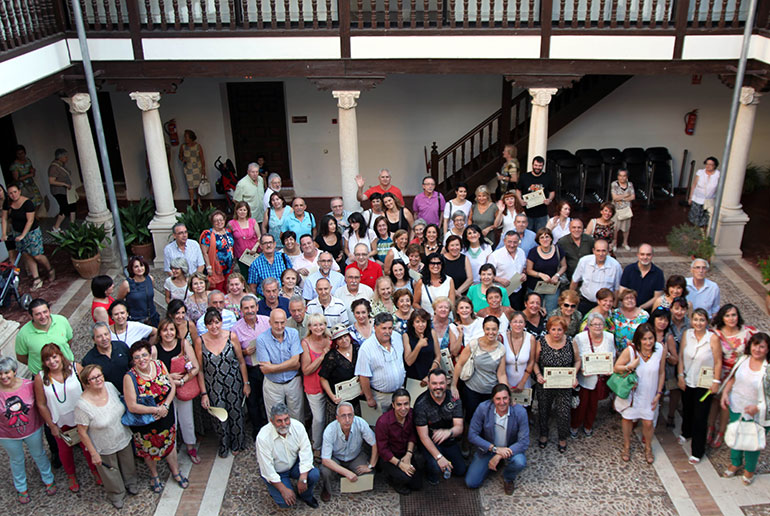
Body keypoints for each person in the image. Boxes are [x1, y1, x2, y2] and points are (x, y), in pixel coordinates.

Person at [124, 341, 187, 492]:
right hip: (147, 420)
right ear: (133, 359)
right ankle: (154, 475)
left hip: (166, 414)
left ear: (150, 354)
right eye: (137, 357)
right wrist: (155, 409)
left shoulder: (159, 364)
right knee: (148, 449)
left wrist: (165, 406)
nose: (142, 359)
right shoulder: (130, 377)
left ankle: (175, 471)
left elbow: (171, 386)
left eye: (144, 355)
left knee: (170, 443)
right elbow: (132, 405)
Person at [35, 344, 97, 493]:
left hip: (80, 416)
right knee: (64, 450)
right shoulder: (40, 378)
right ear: (44, 362)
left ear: (61, 356)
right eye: (47, 359)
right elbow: (41, 404)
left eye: (54, 356)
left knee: (88, 446)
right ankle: (71, 475)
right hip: (60, 421)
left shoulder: (76, 368)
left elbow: (88, 388)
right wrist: (51, 425)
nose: (52, 361)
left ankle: (95, 471)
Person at [75, 365, 137, 509]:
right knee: (110, 471)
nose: (98, 380)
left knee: (128, 463)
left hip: (122, 435)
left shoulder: (109, 386)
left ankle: (131, 483)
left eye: (99, 375)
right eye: (93, 378)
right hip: (103, 443)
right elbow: (82, 432)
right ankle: (117, 494)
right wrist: (93, 453)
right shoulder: (82, 405)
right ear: (86, 382)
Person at [0, 356, 56, 504]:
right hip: (7, 435)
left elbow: (40, 403)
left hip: (32, 430)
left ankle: (48, 479)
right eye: (0, 374)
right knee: (16, 460)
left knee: (39, 454)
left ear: (14, 371)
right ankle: (21, 488)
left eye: (6, 372)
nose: (3, 376)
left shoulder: (29, 385)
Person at [196, 308, 249, 457]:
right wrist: (204, 393)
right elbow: (199, 369)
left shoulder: (231, 336)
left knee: (236, 412)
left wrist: (246, 383)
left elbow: (241, 362)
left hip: (233, 381)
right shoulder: (200, 341)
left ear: (221, 322)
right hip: (213, 383)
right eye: (210, 323)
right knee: (219, 415)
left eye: (217, 322)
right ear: (206, 325)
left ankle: (238, 442)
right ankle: (223, 444)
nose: (214, 327)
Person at [719, 333, 770, 485]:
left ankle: (749, 469)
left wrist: (758, 407)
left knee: (752, 441)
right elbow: (733, 378)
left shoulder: (767, 369)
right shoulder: (743, 360)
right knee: (736, 435)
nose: (758, 349)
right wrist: (725, 393)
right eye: (755, 345)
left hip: (757, 413)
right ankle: (735, 463)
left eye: (762, 347)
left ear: (767, 349)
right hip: (737, 406)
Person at [614, 324, 666, 464]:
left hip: (650, 394)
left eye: (651, 338)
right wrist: (629, 366)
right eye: (645, 339)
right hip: (633, 394)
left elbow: (661, 372)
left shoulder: (660, 349)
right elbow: (616, 368)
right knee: (627, 419)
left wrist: (659, 393)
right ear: (639, 340)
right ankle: (626, 446)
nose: (648, 342)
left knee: (648, 423)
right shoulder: (631, 351)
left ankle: (648, 448)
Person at [676, 308, 722, 464]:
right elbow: (682, 356)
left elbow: (718, 361)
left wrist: (716, 381)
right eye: (695, 319)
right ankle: (686, 431)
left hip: (704, 382)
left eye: (702, 320)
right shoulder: (687, 335)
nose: (698, 323)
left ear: (707, 322)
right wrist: (680, 375)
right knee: (687, 408)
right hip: (689, 378)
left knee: (700, 416)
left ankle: (697, 450)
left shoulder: (713, 338)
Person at [709, 304, 757, 449]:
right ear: (722, 318)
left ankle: (722, 432)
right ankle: (710, 428)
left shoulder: (748, 332)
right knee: (714, 402)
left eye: (734, 315)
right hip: (720, 372)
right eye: (728, 315)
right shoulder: (715, 333)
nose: (731, 318)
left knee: (726, 403)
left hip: (738, 375)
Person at [466, 383, 528, 494]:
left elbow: (524, 442)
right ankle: (491, 464)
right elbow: (472, 435)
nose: (502, 402)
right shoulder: (483, 408)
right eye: (498, 399)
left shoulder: (520, 412)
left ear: (509, 398)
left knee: (520, 462)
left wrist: (499, 454)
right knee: (471, 482)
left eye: (505, 398)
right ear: (492, 400)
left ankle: (508, 477)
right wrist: (494, 449)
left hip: (510, 449)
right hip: (488, 449)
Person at [257, 402, 321, 508]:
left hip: (294, 464)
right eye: (279, 421)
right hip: (277, 471)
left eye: (286, 419)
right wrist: (283, 489)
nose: (284, 424)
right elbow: (267, 468)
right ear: (271, 421)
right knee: (284, 503)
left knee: (314, 474)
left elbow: (306, 451)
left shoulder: (298, 427)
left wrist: (303, 478)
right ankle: (276, 488)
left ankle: (305, 495)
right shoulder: (263, 437)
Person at [154, 319, 200, 463]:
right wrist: (169, 378)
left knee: (187, 420)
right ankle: (171, 450)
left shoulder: (183, 344)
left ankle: (191, 447)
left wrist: (181, 381)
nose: (169, 333)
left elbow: (195, 367)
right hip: (165, 391)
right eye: (165, 330)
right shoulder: (155, 349)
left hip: (183, 387)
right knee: (169, 421)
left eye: (172, 330)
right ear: (160, 333)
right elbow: (154, 373)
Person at [532, 316, 581, 453]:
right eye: (553, 329)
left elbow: (577, 361)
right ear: (548, 330)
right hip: (545, 383)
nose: (556, 333)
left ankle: (562, 438)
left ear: (564, 330)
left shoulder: (571, 342)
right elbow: (535, 362)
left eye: (560, 329)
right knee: (543, 410)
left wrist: (574, 375)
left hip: (564, 383)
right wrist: (538, 375)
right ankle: (543, 434)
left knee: (564, 412)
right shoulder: (541, 342)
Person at [414, 368, 466, 484]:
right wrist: (439, 457)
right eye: (434, 383)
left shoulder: (453, 398)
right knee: (435, 467)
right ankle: (430, 472)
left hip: (448, 440)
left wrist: (449, 432)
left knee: (461, 470)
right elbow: (423, 437)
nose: (438, 387)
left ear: (446, 382)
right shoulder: (420, 404)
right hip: (430, 441)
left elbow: (459, 427)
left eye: (441, 383)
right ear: (428, 384)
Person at [452, 315, 508, 423]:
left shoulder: (501, 349)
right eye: (488, 329)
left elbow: (501, 374)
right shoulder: (474, 344)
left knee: (487, 421)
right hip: (472, 390)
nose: (490, 332)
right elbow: (459, 364)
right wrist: (454, 385)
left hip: (490, 391)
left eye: (494, 329)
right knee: (471, 419)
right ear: (483, 329)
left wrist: (505, 392)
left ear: (498, 330)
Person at [319, 402, 378, 502]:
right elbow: (325, 459)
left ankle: (348, 477)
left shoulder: (360, 423)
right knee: (325, 471)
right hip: (336, 458)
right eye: (343, 416)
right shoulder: (329, 430)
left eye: (350, 415)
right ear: (337, 418)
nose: (347, 420)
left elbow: (375, 443)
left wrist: (370, 465)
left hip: (355, 456)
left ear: (353, 416)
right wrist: (347, 473)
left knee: (369, 473)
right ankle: (327, 489)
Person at [2, 182, 53, 290]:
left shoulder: (27, 203)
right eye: (10, 193)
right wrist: (4, 234)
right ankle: (36, 278)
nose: (13, 195)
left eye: (15, 192)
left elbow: (30, 221)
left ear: (19, 191)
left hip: (31, 232)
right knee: (26, 254)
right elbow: (4, 218)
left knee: (36, 255)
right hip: (17, 232)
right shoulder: (7, 203)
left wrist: (23, 235)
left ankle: (50, 269)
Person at [232, 294, 270, 436]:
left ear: (257, 307)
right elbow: (234, 353)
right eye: (246, 308)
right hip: (250, 369)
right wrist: (244, 351)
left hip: (267, 365)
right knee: (253, 401)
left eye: (252, 307)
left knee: (268, 398)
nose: (250, 310)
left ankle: (270, 426)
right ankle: (258, 430)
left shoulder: (267, 321)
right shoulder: (236, 329)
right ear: (241, 310)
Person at [571, 313, 615, 437]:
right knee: (580, 405)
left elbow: (613, 356)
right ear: (588, 326)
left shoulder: (610, 337)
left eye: (600, 324)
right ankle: (574, 425)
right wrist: (578, 371)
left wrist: (609, 369)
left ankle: (588, 425)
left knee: (594, 405)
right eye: (594, 324)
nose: (597, 327)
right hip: (584, 378)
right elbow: (575, 358)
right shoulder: (580, 338)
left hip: (601, 378)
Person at [257, 309, 304, 421]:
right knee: (275, 418)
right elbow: (265, 370)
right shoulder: (262, 339)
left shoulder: (293, 334)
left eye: (282, 322)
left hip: (293, 382)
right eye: (276, 322)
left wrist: (272, 367)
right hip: (273, 385)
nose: (279, 326)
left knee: (296, 417)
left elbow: (296, 362)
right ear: (270, 322)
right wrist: (292, 365)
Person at [375, 389, 423, 495]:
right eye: (399, 404)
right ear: (393, 405)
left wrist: (409, 454)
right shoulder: (383, 422)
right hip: (389, 458)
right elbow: (383, 450)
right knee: (405, 478)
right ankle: (392, 480)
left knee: (417, 485)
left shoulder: (411, 414)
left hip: (404, 453)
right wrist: (400, 464)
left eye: (406, 404)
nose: (403, 408)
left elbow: (412, 435)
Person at [355, 312, 406, 412]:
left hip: (400, 393)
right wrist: (369, 398)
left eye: (390, 328)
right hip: (380, 397)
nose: (387, 331)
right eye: (384, 328)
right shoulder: (366, 348)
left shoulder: (397, 337)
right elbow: (363, 376)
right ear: (375, 327)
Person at [16, 298, 74, 376]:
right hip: (42, 376)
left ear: (49, 311)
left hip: (67, 369)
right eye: (38, 314)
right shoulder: (23, 334)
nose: (43, 316)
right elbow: (21, 357)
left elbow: (69, 340)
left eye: (45, 312)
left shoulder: (62, 321)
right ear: (31, 316)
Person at [301, 313, 332, 454]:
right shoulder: (305, 343)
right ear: (309, 327)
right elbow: (306, 370)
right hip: (313, 385)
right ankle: (316, 446)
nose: (318, 328)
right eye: (315, 325)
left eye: (321, 324)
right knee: (318, 419)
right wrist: (321, 357)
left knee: (329, 417)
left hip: (330, 385)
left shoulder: (330, 340)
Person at [319, 324, 362, 424]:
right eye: (340, 338)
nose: (344, 340)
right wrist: (332, 396)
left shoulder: (357, 348)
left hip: (356, 397)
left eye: (345, 336)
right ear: (336, 342)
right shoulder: (331, 356)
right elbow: (323, 378)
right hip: (339, 399)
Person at [570, 239, 622, 315]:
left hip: (605, 305)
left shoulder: (615, 266)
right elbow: (574, 282)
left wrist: (613, 307)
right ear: (593, 250)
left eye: (603, 251)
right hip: (586, 302)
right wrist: (571, 301)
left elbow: (617, 289)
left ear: (608, 251)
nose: (601, 254)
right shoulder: (584, 261)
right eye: (598, 251)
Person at [525, 227, 567, 313]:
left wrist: (557, 275)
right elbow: (529, 270)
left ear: (551, 238)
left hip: (552, 286)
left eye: (547, 236)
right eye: (542, 237)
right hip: (535, 286)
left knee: (551, 311)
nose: (545, 239)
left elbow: (564, 266)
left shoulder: (558, 250)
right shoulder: (533, 252)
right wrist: (540, 275)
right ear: (538, 240)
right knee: (535, 310)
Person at [82, 322, 131, 393]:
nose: (104, 338)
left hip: (131, 391)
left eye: (106, 334)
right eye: (99, 336)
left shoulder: (121, 346)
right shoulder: (89, 360)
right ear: (93, 339)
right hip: (110, 397)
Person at [487, 230, 527, 309]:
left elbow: (523, 269)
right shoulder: (495, 255)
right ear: (504, 241)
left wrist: (523, 275)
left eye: (515, 242)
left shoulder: (521, 252)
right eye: (509, 242)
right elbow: (487, 274)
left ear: (519, 242)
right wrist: (499, 279)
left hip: (517, 291)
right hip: (501, 292)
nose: (512, 245)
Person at [117, 255, 160, 327]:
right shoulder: (126, 284)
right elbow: (119, 301)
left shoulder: (150, 278)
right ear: (132, 269)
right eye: (136, 267)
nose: (140, 269)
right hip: (136, 320)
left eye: (141, 266)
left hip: (152, 317)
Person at [619, 244, 664, 311]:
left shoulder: (658, 273)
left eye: (648, 255)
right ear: (638, 255)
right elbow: (622, 291)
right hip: (628, 308)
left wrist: (640, 308)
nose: (645, 257)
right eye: (642, 254)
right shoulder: (629, 270)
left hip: (648, 311)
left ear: (652, 255)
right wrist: (630, 306)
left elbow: (657, 297)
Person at [515, 156, 554, 231]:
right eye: (536, 165)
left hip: (542, 213)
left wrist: (549, 199)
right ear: (532, 165)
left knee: (540, 235)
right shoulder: (524, 177)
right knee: (527, 234)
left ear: (543, 166)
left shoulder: (548, 177)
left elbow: (552, 191)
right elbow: (518, 190)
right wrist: (520, 200)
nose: (537, 167)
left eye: (540, 166)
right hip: (527, 213)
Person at [200, 210, 235, 292]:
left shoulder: (228, 231)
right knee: (218, 289)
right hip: (216, 268)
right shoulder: (208, 234)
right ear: (212, 222)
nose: (219, 222)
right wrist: (209, 267)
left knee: (228, 288)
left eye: (221, 219)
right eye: (216, 220)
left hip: (229, 267)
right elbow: (205, 252)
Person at [403, 309, 441, 384]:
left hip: (430, 376)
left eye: (423, 321)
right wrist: (419, 345)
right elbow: (408, 362)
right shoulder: (406, 336)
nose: (421, 325)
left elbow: (438, 355)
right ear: (413, 323)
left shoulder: (432, 332)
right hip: (414, 379)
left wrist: (430, 374)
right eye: (417, 322)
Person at [414, 252, 456, 316]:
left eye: (438, 263)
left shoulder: (449, 280)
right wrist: (425, 314)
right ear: (428, 265)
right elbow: (415, 303)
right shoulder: (421, 282)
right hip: (427, 321)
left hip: (445, 319)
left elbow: (451, 304)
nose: (435, 266)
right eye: (432, 263)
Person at [228, 201, 261, 278]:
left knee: (256, 275)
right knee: (244, 276)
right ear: (236, 211)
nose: (242, 212)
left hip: (254, 254)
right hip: (241, 255)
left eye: (244, 210)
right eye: (240, 210)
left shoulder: (253, 222)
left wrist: (255, 248)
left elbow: (259, 237)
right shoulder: (231, 224)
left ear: (248, 211)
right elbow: (229, 239)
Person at [506, 311, 536, 394]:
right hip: (506, 382)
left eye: (521, 322)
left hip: (524, 381)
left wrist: (522, 382)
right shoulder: (502, 337)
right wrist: (505, 383)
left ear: (525, 324)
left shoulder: (530, 338)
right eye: (515, 322)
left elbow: (531, 361)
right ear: (510, 323)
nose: (518, 325)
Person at [47, 148, 77, 232]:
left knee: (72, 206)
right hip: (59, 191)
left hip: (67, 191)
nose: (67, 158)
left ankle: (72, 225)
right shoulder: (54, 167)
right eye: (65, 157)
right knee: (64, 208)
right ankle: (56, 227)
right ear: (60, 157)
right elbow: (51, 181)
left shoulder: (62, 165)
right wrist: (64, 184)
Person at [688, 156, 720, 229]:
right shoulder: (700, 172)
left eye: (711, 164)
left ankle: (703, 232)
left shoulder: (718, 174)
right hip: (697, 198)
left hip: (709, 199)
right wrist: (690, 197)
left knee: (706, 217)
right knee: (695, 217)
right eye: (707, 164)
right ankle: (694, 231)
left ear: (715, 166)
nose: (708, 166)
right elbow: (694, 185)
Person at [178, 129, 206, 206]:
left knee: (198, 186)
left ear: (191, 137)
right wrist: (182, 160)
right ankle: (192, 202)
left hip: (197, 168)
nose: (185, 139)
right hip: (188, 169)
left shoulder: (198, 146)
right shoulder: (183, 146)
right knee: (190, 186)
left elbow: (202, 158)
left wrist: (203, 169)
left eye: (186, 137)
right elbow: (180, 156)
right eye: (184, 137)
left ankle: (199, 200)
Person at [611, 169, 635, 250]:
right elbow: (614, 198)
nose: (622, 178)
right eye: (620, 176)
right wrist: (626, 195)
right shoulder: (614, 184)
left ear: (627, 177)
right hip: (616, 209)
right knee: (615, 228)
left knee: (626, 228)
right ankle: (614, 243)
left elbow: (632, 197)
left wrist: (621, 198)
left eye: (624, 176)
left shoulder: (630, 184)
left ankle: (625, 242)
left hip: (626, 209)